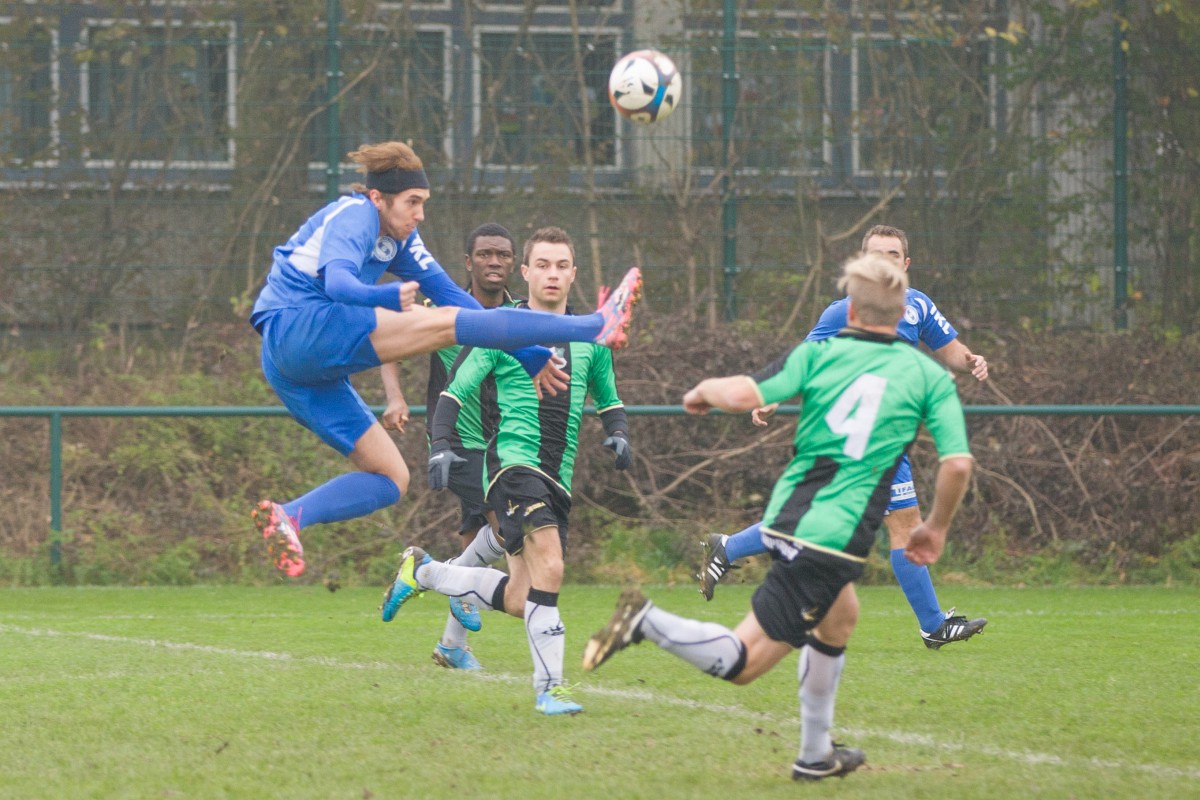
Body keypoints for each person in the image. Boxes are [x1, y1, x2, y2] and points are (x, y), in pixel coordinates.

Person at [582, 252, 975, 781]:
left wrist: (702, 391)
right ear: (904, 312)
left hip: (792, 515)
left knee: (840, 617)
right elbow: (957, 464)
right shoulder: (927, 375)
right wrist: (937, 527)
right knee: (744, 663)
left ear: (850, 312)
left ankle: (814, 757)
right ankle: (645, 621)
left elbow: (742, 391)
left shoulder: (819, 354)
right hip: (830, 537)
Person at [248, 141, 641, 577]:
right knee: (441, 324)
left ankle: (289, 517)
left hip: (295, 371)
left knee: (391, 478)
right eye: (412, 202)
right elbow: (338, 284)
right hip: (297, 325)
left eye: (424, 202)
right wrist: (383, 296)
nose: (420, 214)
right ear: (378, 198)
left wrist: (526, 352)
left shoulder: (400, 238)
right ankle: (595, 325)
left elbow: (455, 296)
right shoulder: (356, 215)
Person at [380, 226, 633, 716]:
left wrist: (619, 431)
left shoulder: (591, 339)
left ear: (574, 274)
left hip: (558, 476)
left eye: (562, 266)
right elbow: (455, 389)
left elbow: (609, 397)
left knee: (521, 597)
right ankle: (550, 688)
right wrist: (441, 444)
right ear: (526, 272)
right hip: (512, 466)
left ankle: (425, 571)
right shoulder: (501, 328)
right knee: (551, 565)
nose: (552, 274)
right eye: (543, 265)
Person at [699, 224, 988, 650]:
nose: (885, 262)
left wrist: (971, 360)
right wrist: (770, 397)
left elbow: (951, 350)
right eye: (877, 255)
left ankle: (729, 548)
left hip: (888, 439)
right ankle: (930, 625)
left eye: (893, 255)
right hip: (849, 439)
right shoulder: (843, 312)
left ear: (906, 264)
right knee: (879, 524)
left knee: (878, 523)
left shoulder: (918, 306)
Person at [383, 223, 523, 672]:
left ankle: (451, 646)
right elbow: (390, 343)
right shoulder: (442, 309)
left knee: (474, 553)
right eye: (485, 254)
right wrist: (395, 397)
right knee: (510, 530)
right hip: (457, 443)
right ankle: (423, 571)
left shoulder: (521, 313)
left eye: (502, 254)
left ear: (514, 263)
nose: (494, 261)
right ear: (468, 261)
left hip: (503, 446)